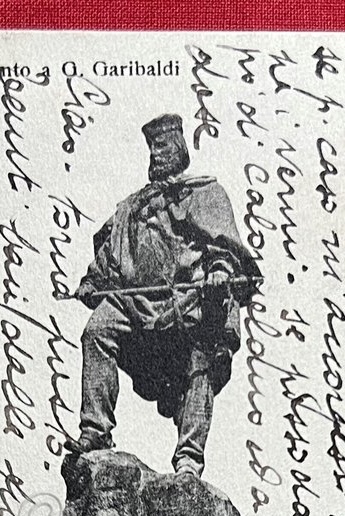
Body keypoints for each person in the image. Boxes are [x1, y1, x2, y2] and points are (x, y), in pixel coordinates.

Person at [71, 113, 260, 478]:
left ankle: (189, 457)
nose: (156, 155)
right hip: (136, 301)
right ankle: (94, 431)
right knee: (97, 330)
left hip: (190, 300)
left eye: (163, 147)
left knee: (203, 352)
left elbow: (225, 248)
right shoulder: (131, 207)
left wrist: (218, 272)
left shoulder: (206, 193)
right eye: (152, 149)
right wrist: (92, 282)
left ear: (179, 149)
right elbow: (110, 255)